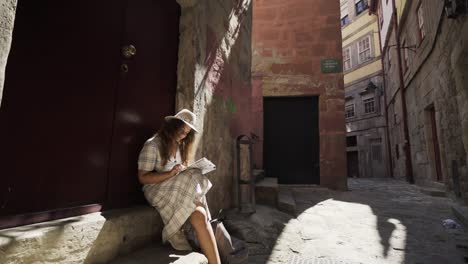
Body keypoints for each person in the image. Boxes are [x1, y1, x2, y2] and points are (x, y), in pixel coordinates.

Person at [137, 109, 221, 264]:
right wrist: (170, 174)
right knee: (191, 177)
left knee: (200, 214)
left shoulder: (180, 145)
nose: (183, 135)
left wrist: (184, 169)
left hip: (177, 188)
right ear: (171, 126)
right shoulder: (153, 145)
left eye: (187, 133)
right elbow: (143, 178)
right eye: (181, 130)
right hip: (157, 189)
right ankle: (175, 231)